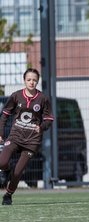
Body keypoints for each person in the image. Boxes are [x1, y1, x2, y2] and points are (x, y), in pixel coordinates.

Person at [0, 68, 54, 205]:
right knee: (2, 162)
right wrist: (0, 133)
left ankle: (8, 195)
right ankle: (6, 171)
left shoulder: (43, 98)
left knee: (18, 172)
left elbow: (49, 119)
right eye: (29, 79)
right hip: (15, 137)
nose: (32, 82)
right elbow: (4, 115)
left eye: (34, 80)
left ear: (38, 81)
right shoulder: (16, 96)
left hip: (31, 141)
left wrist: (41, 127)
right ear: (24, 80)